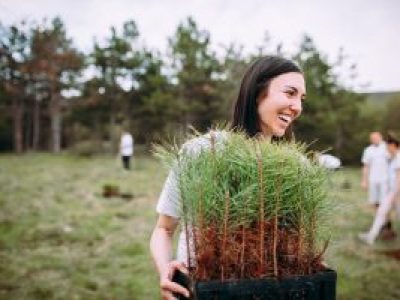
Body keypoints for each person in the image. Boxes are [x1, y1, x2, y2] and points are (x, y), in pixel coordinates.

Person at [149, 56, 306, 299]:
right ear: (257, 93)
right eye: (290, 93)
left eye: (301, 99)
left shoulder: (295, 166)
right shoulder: (202, 151)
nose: (297, 107)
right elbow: (164, 229)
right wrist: (164, 270)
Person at [359, 134, 400, 245]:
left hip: (395, 193)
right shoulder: (394, 158)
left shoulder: (398, 158)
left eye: (388, 147)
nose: (386, 149)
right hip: (392, 192)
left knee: (384, 213)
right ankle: (371, 236)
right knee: (381, 213)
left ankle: (374, 235)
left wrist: (395, 196)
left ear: (392, 146)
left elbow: (398, 180)